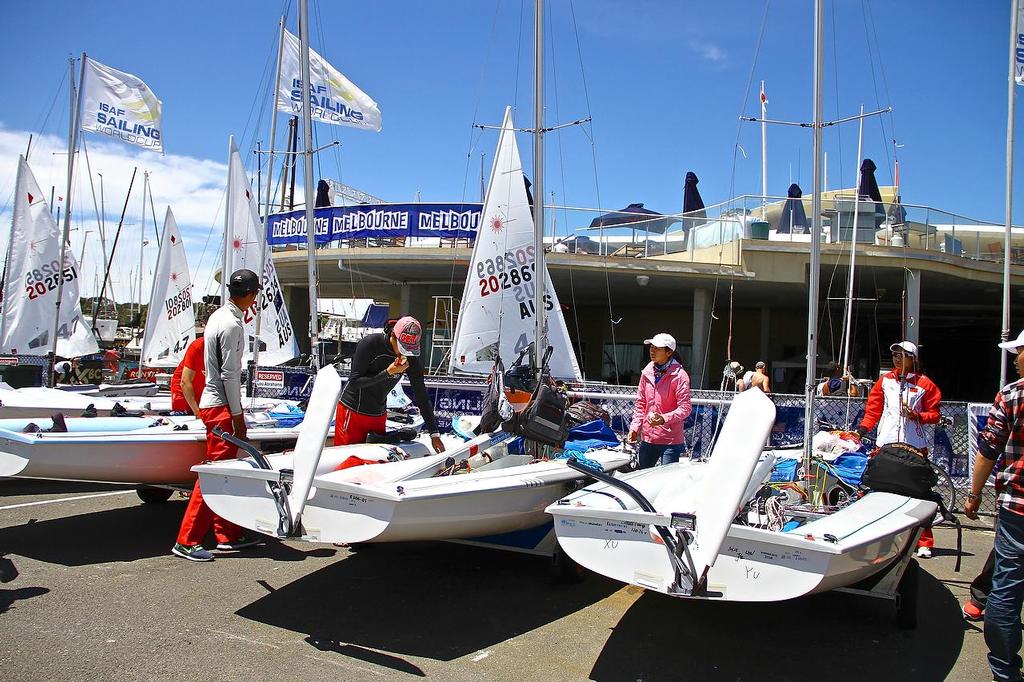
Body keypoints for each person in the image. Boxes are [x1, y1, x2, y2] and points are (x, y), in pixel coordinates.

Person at [171, 270, 263, 562]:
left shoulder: (216, 317)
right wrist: (238, 417)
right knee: (214, 474)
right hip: (221, 404)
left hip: (213, 402)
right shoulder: (233, 325)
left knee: (224, 473)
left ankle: (227, 534)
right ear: (250, 295)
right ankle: (187, 540)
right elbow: (229, 375)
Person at [964, 327, 1024, 682]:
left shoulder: (1013, 395)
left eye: (1019, 352)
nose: (1015, 360)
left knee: (1006, 589)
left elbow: (989, 449)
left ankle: (1005, 671)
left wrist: (974, 494)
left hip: (1017, 506)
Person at [856, 340, 942, 558]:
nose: (897, 358)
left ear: (913, 359)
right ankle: (876, 536)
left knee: (918, 494)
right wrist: (862, 430)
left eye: (902, 355)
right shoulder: (884, 381)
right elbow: (873, 409)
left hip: (914, 446)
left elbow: (935, 414)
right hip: (885, 443)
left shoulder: (926, 384)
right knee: (878, 489)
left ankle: (923, 541)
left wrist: (918, 416)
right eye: (895, 355)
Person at [335, 316, 444, 453]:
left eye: (410, 349)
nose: (405, 353)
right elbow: (354, 382)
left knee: (373, 461)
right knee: (347, 458)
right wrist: (387, 372)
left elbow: (422, 397)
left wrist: (434, 434)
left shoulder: (410, 359)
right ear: (393, 335)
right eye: (403, 348)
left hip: (378, 413)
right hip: (352, 410)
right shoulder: (371, 343)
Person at [628, 332, 692, 469]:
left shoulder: (680, 376)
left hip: (671, 442)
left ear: (669, 352)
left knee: (666, 484)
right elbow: (641, 404)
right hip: (647, 439)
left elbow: (685, 408)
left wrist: (663, 418)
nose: (652, 350)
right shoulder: (647, 373)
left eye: (657, 348)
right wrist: (635, 428)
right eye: (651, 347)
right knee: (642, 479)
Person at [169, 337, 205, 416]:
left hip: (201, 389)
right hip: (183, 390)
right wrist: (197, 412)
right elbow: (185, 382)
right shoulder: (198, 346)